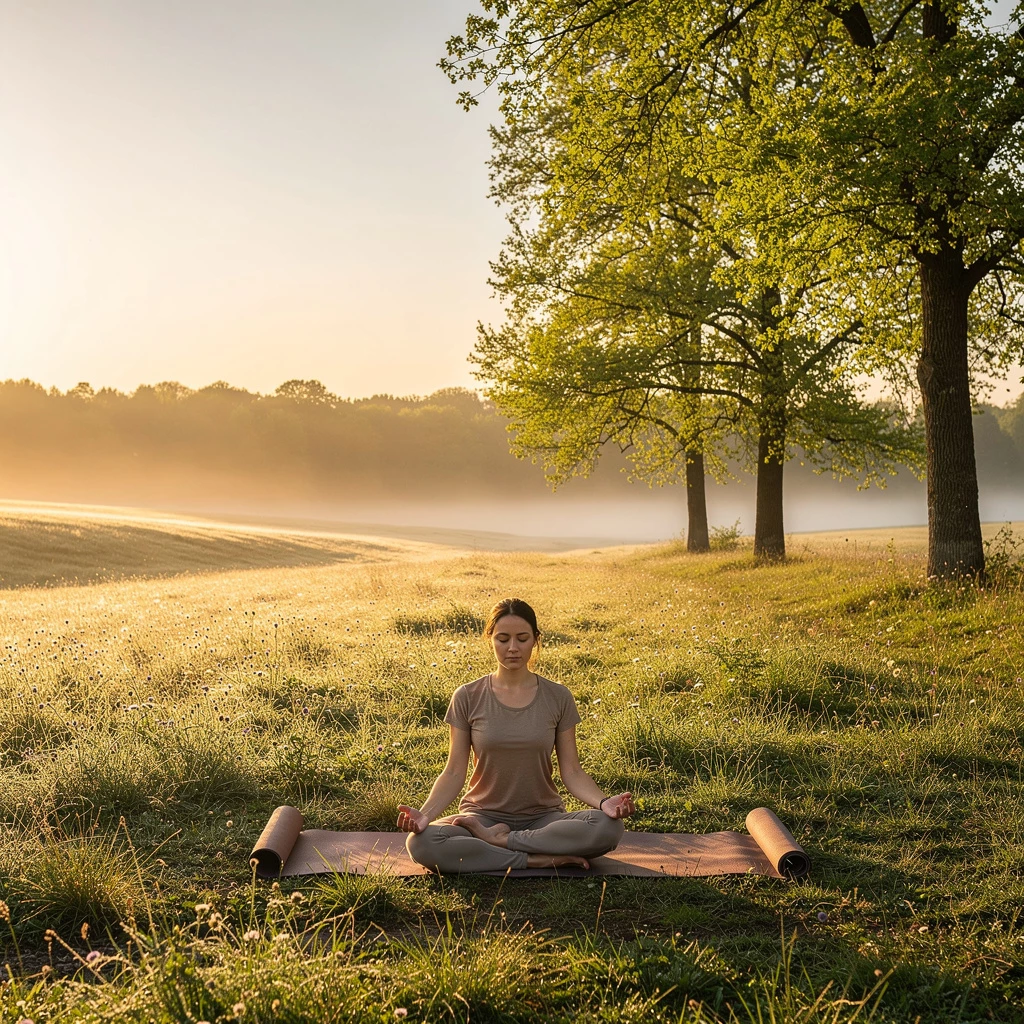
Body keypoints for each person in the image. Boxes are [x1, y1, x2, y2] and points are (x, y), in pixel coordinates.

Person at [397, 597, 635, 872]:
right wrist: (424, 817)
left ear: (535, 640)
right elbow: (453, 772)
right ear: (490, 639)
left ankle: (502, 843)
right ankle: (533, 858)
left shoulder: (558, 696)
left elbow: (572, 771)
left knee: (607, 828)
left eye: (522, 639)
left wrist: (605, 803)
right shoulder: (467, 696)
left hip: (543, 819)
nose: (512, 648)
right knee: (422, 843)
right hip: (481, 817)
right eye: (502, 639)